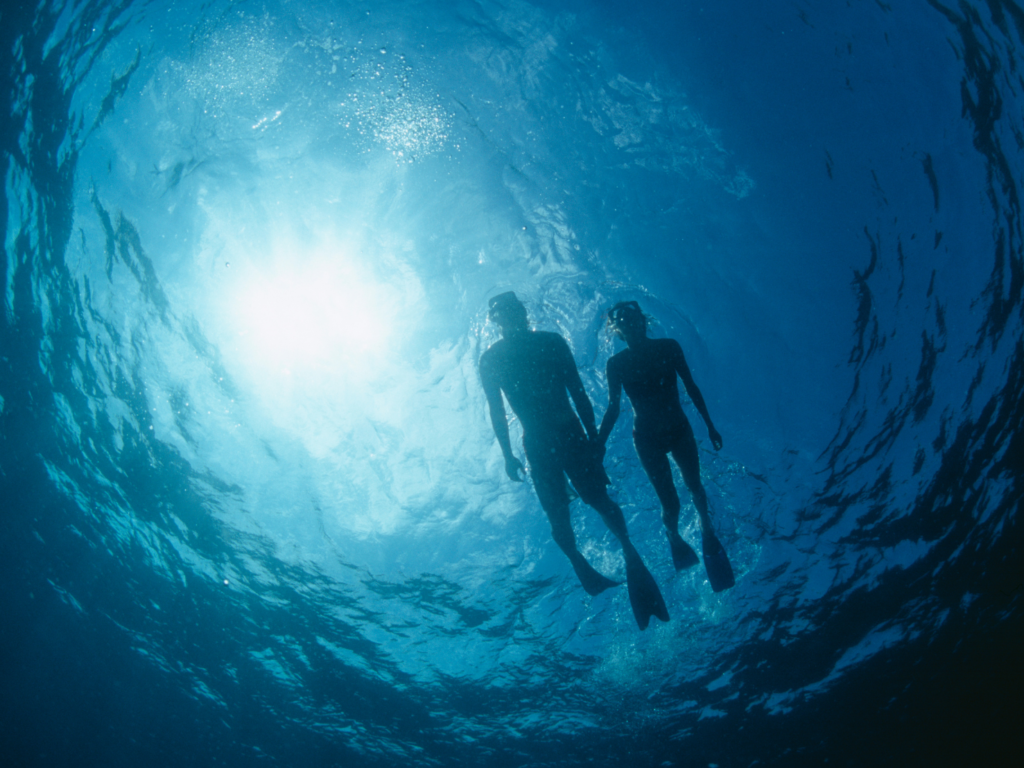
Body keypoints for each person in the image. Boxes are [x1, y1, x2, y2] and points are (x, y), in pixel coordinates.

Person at [480, 292, 669, 630]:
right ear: (500, 320)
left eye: (514, 310)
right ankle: (584, 561)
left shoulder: (543, 344)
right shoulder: (497, 358)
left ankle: (628, 554)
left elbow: (577, 390)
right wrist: (508, 454)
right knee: (560, 513)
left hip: (565, 436)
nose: (511, 316)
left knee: (595, 500)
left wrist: (594, 438)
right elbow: (498, 409)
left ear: (521, 313)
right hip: (544, 442)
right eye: (506, 313)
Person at [598, 301, 735, 592]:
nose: (630, 324)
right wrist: (598, 445)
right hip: (646, 438)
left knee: (695, 486)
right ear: (618, 330)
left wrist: (710, 425)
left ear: (642, 321)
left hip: (679, 430)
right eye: (622, 321)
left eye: (632, 318)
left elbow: (691, 386)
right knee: (670, 502)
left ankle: (706, 529)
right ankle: (673, 536)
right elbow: (613, 408)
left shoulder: (668, 347)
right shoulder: (617, 364)